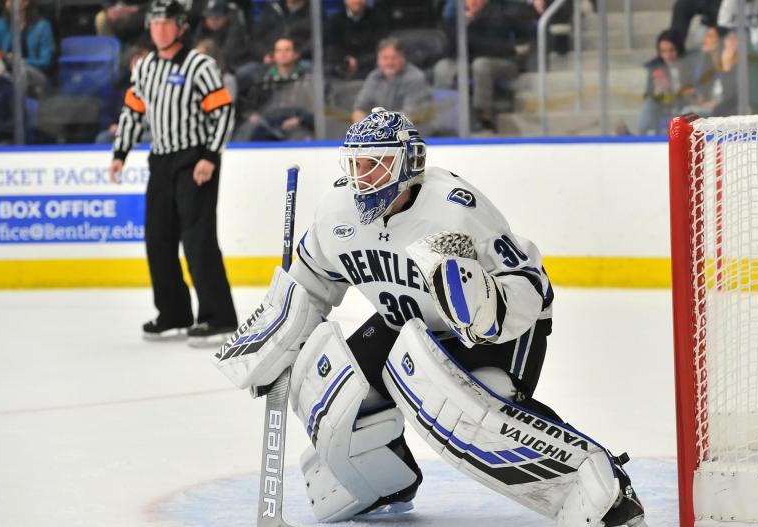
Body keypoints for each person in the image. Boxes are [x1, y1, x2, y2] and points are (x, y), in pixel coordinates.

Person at [214, 108, 647, 527]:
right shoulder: (335, 214)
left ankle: (601, 488)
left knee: (477, 410)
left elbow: (527, 282)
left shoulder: (454, 208)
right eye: (356, 164)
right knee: (332, 390)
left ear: (409, 164)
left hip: (491, 332)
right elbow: (309, 286)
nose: (363, 177)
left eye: (377, 165)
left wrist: (485, 310)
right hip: (406, 324)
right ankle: (385, 481)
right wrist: (280, 337)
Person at [106, 0, 238, 347]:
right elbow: (133, 111)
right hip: (161, 160)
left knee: (198, 240)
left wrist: (210, 156)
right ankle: (174, 313)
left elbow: (223, 111)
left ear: (180, 27)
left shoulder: (200, 64)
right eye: (154, 23)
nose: (160, 29)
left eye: (167, 23)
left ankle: (218, 317)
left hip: (194, 159)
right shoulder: (145, 66)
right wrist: (120, 152)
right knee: (158, 240)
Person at [433, 0, 534, 131]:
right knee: (443, 66)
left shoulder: (499, 14)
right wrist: (463, 26)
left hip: (503, 61)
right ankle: (444, 117)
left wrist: (471, 32)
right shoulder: (458, 18)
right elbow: (449, 50)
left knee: (481, 65)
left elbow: (495, 47)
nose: (471, 2)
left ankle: (484, 115)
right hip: (469, 60)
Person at [233, 36, 314, 141]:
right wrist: (254, 117)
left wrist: (301, 120)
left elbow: (316, 110)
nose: (282, 54)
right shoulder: (262, 82)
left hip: (299, 130)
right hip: (267, 129)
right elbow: (249, 109)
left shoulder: (308, 81)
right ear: (274, 55)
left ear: (296, 54)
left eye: (287, 50)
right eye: (279, 50)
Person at [351, 37, 433, 125]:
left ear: (403, 58)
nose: (389, 62)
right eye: (385, 58)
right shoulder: (374, 77)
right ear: (378, 60)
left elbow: (410, 116)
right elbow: (359, 108)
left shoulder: (415, 78)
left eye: (394, 58)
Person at [0, 0, 54, 98]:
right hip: (6, 71)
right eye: (6, 1)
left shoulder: (43, 26)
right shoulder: (1, 24)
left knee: (21, 71)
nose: (8, 3)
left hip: (34, 74)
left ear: (26, 2)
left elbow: (45, 61)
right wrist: (5, 57)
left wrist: (20, 61)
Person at [636, 29, 691, 135]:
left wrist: (677, 89)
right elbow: (648, 93)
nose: (668, 55)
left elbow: (693, 90)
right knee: (648, 105)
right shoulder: (655, 67)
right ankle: (639, 138)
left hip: (683, 105)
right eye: (664, 51)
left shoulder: (688, 66)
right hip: (661, 105)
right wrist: (657, 91)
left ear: (679, 49)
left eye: (671, 50)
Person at [324, 0, 388, 80]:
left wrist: (358, 62)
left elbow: (383, 49)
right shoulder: (334, 21)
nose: (357, 1)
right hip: (341, 71)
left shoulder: (378, 18)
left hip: (371, 70)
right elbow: (330, 47)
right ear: (345, 1)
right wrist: (345, 60)